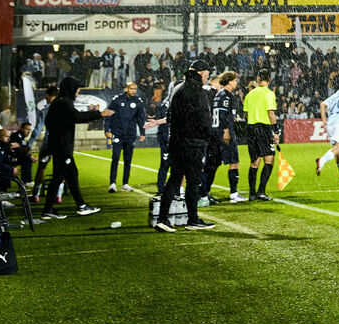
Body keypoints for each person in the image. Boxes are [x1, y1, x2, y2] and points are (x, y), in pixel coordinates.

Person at [37, 77, 105, 219]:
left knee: (69, 175)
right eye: (77, 89)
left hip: (59, 147)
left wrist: (58, 132)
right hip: (62, 148)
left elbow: (49, 122)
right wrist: (100, 114)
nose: (78, 92)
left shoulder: (58, 102)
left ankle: (77, 205)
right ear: (71, 89)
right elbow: (77, 117)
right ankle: (56, 208)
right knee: (62, 177)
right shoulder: (65, 103)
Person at [158, 67, 216, 232]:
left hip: (177, 142)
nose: (207, 76)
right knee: (193, 181)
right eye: (206, 73)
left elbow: (169, 117)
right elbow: (205, 120)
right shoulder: (199, 92)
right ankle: (193, 219)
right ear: (200, 73)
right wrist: (209, 137)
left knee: (174, 179)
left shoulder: (178, 89)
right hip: (193, 144)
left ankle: (162, 219)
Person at [204, 71, 247, 204]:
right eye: (234, 80)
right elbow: (222, 116)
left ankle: (204, 194)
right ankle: (234, 194)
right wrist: (226, 131)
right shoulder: (226, 96)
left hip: (215, 133)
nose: (236, 83)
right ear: (228, 81)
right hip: (223, 133)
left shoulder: (218, 94)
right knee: (234, 162)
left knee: (212, 164)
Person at [240, 71, 279, 200]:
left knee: (254, 161)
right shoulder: (269, 93)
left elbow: (245, 114)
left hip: (251, 128)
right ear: (269, 79)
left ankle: (251, 194)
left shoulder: (250, 94)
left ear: (258, 79)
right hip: (264, 127)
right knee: (269, 159)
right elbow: (271, 114)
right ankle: (261, 191)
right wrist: (276, 131)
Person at [103, 81, 147, 193]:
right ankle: (112, 183)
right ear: (126, 89)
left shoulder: (138, 102)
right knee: (116, 158)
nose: (133, 91)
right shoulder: (117, 100)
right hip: (117, 134)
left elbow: (141, 119)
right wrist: (106, 129)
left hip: (130, 135)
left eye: (135, 89)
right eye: (131, 88)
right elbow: (109, 115)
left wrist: (142, 133)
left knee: (128, 160)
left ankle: (125, 183)